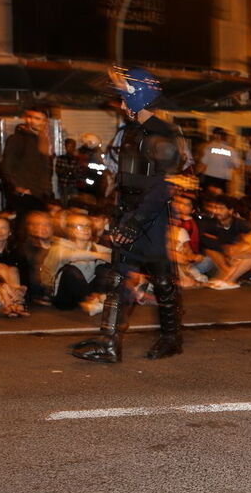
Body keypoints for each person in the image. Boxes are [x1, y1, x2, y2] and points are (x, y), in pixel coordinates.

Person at [70, 67, 186, 363]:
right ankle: (110, 342)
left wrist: (136, 221)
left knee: (160, 278)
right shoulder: (133, 131)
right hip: (132, 212)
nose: (121, 105)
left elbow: (164, 185)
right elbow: (126, 177)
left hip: (152, 215)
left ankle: (170, 338)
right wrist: (120, 212)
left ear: (137, 100)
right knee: (120, 275)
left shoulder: (162, 133)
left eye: (124, 99)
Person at [41, 212, 112, 311]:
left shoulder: (94, 247)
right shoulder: (59, 247)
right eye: (80, 226)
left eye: (88, 226)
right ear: (70, 230)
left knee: (105, 267)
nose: (85, 229)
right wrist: (99, 256)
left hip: (87, 290)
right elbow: (71, 255)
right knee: (70, 271)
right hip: (63, 296)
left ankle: (100, 298)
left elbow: (113, 255)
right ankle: (92, 301)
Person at [0, 107, 52, 218]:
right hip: (24, 195)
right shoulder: (17, 139)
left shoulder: (43, 141)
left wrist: (47, 191)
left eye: (41, 119)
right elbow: (6, 167)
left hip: (40, 195)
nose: (39, 122)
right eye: (34, 118)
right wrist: (18, 188)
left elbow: (46, 170)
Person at [0, 214, 29, 317]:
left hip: (11, 291)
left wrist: (22, 288)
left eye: (3, 228)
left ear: (10, 232)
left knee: (13, 269)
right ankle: (12, 304)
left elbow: (24, 272)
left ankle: (12, 304)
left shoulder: (15, 250)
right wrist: (4, 285)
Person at [197, 128, 240, 194]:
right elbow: (236, 166)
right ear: (226, 138)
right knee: (220, 199)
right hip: (223, 180)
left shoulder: (209, 147)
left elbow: (203, 164)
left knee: (207, 196)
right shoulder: (231, 151)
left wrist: (198, 174)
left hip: (209, 178)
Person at [55, 139, 81, 204]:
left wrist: (68, 172)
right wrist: (69, 171)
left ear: (74, 147)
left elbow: (77, 173)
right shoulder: (61, 158)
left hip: (73, 185)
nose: (69, 148)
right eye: (68, 146)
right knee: (64, 203)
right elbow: (58, 171)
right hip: (63, 184)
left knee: (74, 204)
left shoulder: (76, 160)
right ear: (65, 147)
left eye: (71, 146)